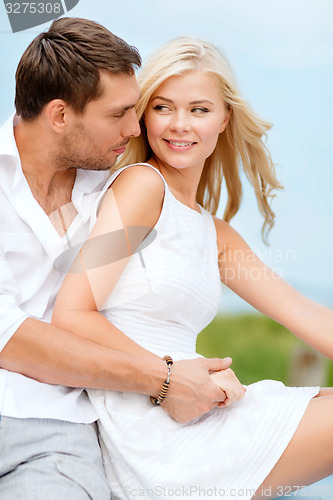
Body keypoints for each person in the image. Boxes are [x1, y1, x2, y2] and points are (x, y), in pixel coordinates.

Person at [52, 37, 333, 500]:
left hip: (196, 405)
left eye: (199, 110)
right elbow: (73, 313)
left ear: (225, 119)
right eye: (163, 107)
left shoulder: (214, 233)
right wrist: (169, 375)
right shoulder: (142, 187)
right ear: (144, 115)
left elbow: (302, 313)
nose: (179, 125)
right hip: (150, 423)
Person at [0, 21, 235, 499]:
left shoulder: (115, 190)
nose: (136, 128)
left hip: (52, 434)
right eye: (120, 114)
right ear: (61, 115)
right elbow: (9, 338)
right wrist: (166, 378)